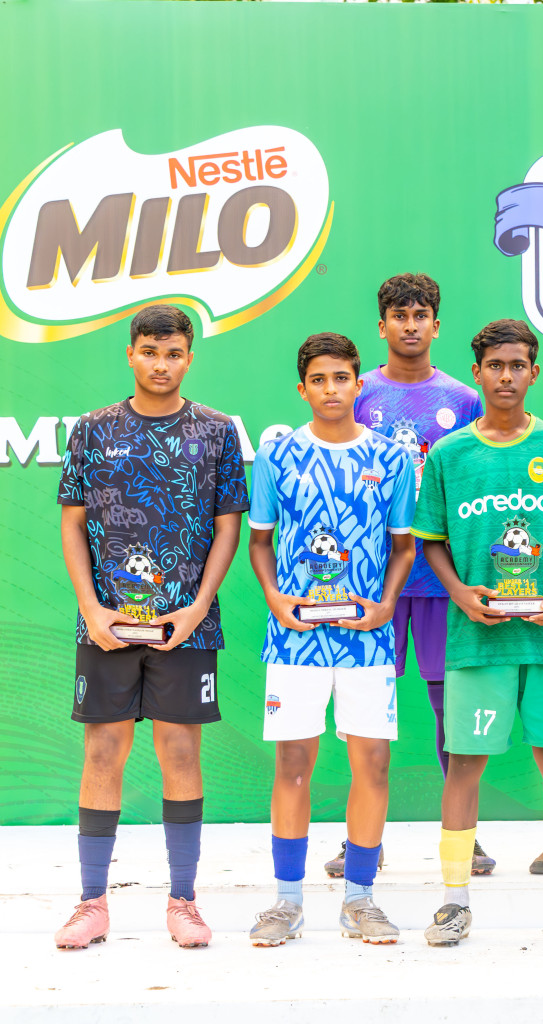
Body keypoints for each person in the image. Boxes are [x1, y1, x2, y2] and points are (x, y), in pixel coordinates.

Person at [53, 305, 248, 951]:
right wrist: (92, 608)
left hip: (185, 628)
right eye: (149, 352)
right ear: (130, 354)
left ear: (189, 357)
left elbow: (228, 529)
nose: (160, 364)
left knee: (181, 753)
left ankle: (185, 900)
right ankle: (90, 903)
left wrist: (196, 607)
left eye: (173, 354)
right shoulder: (92, 429)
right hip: (107, 626)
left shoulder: (217, 432)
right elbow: (74, 523)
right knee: (103, 752)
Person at [411, 319, 543, 947]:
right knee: (465, 763)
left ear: (533, 373)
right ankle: (454, 901)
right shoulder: (449, 455)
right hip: (477, 638)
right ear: (478, 372)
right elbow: (430, 540)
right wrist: (460, 593)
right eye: (496, 365)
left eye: (518, 366)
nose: (507, 376)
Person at [247, 333, 416, 946]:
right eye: (318, 380)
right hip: (293, 639)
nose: (330, 390)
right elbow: (259, 542)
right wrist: (275, 599)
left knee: (372, 760)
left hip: (366, 639)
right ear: (303, 388)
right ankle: (285, 903)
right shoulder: (278, 454)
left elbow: (404, 548)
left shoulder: (391, 458)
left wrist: (386, 605)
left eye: (341, 378)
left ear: (357, 383)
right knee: (294, 762)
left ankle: (361, 900)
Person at [351, 273, 487, 877]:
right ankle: (362, 842)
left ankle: (464, 836)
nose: (410, 324)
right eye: (399, 315)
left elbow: (481, 483)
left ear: (437, 325)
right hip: (369, 579)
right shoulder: (356, 395)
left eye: (421, 314)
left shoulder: (463, 400)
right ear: (382, 326)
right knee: (364, 705)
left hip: (438, 578)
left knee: (446, 706)